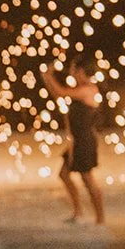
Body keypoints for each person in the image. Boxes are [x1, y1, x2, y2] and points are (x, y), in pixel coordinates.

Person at [42, 61, 105, 224]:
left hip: (85, 140)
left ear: (82, 71)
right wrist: (47, 78)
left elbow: (61, 92)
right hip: (77, 140)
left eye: (75, 71)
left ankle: (100, 218)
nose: (72, 74)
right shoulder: (79, 90)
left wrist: (49, 76)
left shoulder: (88, 90)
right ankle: (78, 212)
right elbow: (58, 95)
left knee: (87, 178)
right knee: (64, 174)